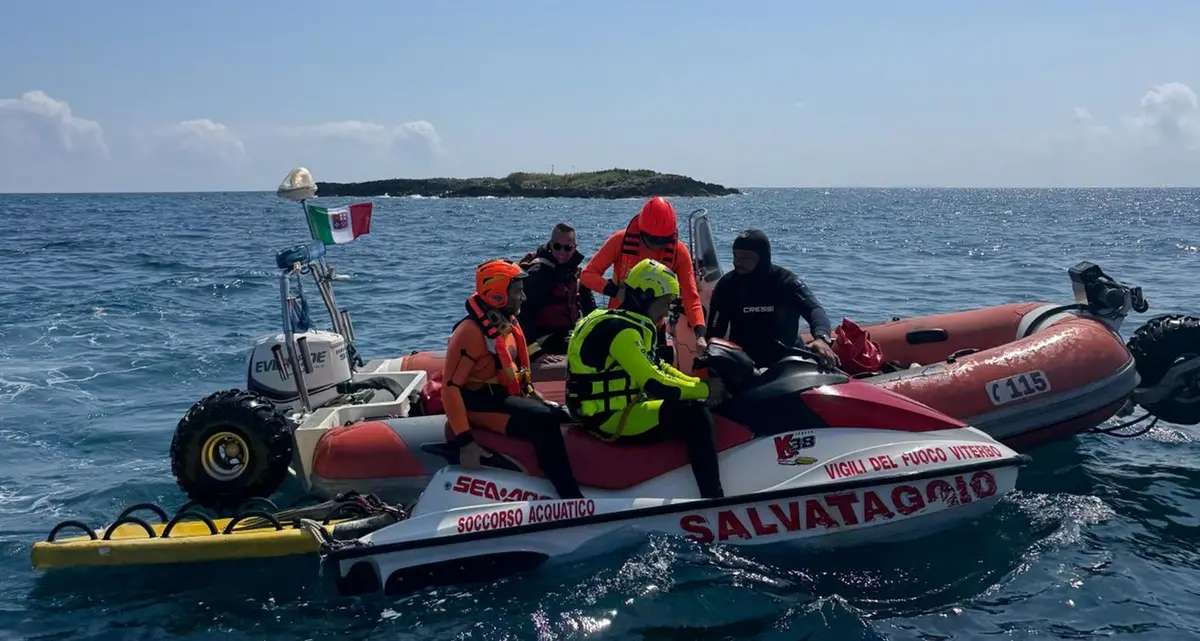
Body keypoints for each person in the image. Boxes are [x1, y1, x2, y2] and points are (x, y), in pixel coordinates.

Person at [565, 258, 728, 499]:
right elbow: (654, 382)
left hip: (609, 408)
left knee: (693, 400)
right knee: (696, 415)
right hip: (609, 418)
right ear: (645, 296)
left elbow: (658, 366)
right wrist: (704, 392)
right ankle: (713, 497)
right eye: (664, 302)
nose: (665, 310)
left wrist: (697, 384)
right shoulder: (624, 333)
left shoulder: (618, 320)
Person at [441, 258, 584, 498]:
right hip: (477, 405)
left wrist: (539, 400)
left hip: (500, 398)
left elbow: (515, 376)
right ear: (498, 294)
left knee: (560, 413)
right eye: (518, 291)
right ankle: (568, 494)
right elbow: (450, 389)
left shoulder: (506, 324)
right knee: (543, 421)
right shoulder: (470, 333)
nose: (524, 297)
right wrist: (465, 441)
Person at [580, 197, 707, 360]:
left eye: (664, 241)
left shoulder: (679, 252)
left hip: (654, 328)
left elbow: (691, 295)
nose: (658, 245)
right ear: (641, 231)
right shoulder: (619, 241)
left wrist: (700, 334)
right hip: (619, 323)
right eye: (653, 240)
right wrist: (615, 291)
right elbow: (587, 276)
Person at [706, 229, 840, 369]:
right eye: (735, 256)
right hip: (746, 365)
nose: (737, 262)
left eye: (745, 258)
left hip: (789, 360)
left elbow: (814, 310)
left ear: (762, 257)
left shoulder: (786, 281)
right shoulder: (727, 285)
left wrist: (821, 338)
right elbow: (715, 332)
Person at [516, 223, 598, 357]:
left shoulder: (574, 272)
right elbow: (523, 315)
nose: (562, 252)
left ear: (574, 247)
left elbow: (590, 308)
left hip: (567, 332)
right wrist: (534, 352)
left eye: (568, 248)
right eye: (557, 246)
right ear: (551, 244)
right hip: (542, 337)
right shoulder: (539, 273)